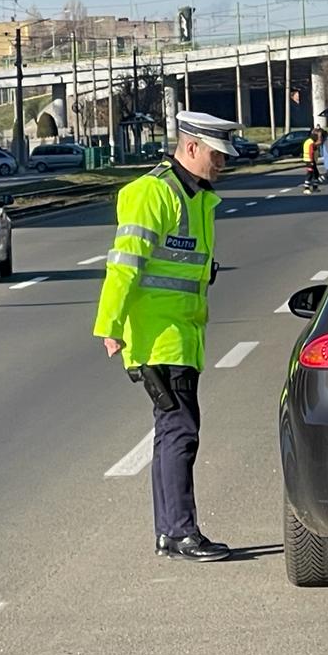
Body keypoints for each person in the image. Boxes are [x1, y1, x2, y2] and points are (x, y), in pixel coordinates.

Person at [93, 110, 239, 563]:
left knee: (172, 431)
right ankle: (180, 532)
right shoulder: (153, 193)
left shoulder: (196, 196)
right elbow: (124, 264)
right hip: (160, 338)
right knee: (181, 432)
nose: (222, 163)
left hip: (183, 332)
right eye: (216, 155)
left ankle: (169, 532)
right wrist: (109, 325)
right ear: (191, 147)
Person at [302, 128, 320, 194]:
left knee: (316, 173)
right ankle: (306, 188)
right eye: (317, 136)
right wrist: (312, 161)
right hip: (309, 160)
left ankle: (315, 187)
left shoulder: (310, 141)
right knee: (310, 173)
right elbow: (311, 152)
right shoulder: (311, 142)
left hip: (310, 160)